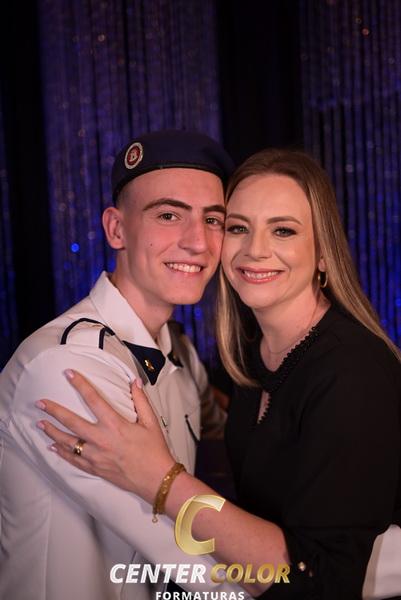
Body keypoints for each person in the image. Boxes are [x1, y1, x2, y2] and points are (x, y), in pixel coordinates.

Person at [37, 149, 401, 600]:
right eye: (237, 227)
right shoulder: (252, 356)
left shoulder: (351, 372)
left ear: (324, 253)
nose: (255, 250)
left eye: (283, 230)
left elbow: (320, 584)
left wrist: (162, 478)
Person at [0, 130, 248, 600]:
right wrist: (327, 570)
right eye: (168, 215)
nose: (198, 242)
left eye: (213, 220)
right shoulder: (66, 366)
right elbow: (197, 563)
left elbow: (239, 432)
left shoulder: (179, 353)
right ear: (116, 229)